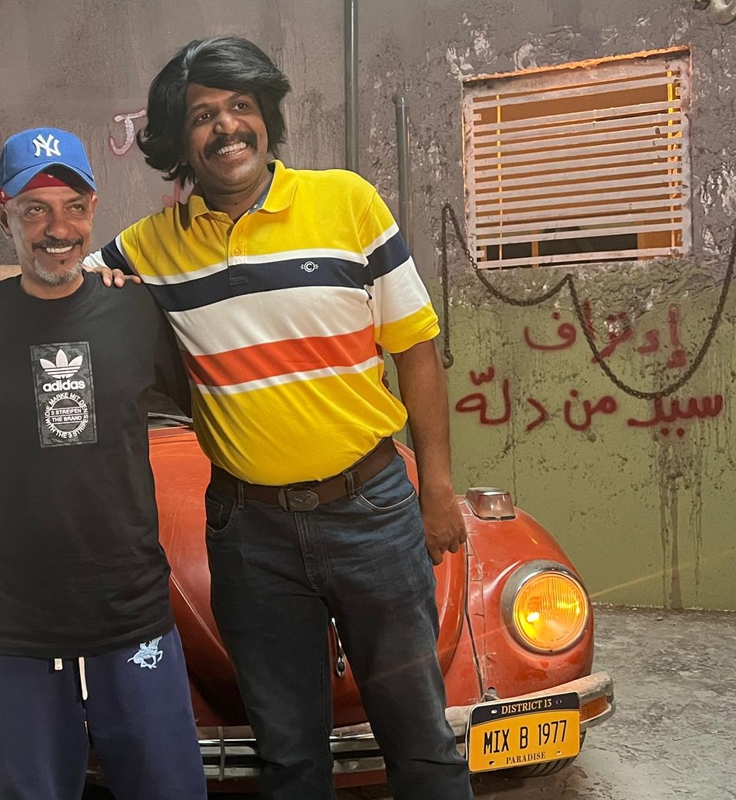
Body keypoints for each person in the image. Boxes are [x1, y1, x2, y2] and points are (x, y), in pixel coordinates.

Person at [87, 36, 474, 800]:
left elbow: (417, 351)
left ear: (266, 116)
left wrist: (436, 489)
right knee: (289, 758)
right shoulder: (153, 246)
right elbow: (64, 277)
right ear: (179, 141)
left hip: (372, 513)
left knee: (421, 742)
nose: (226, 126)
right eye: (203, 115)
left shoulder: (347, 203)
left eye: (241, 105)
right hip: (250, 535)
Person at [0, 127, 206, 800]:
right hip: (14, 628)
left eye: (73, 207)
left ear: (93, 209)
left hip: (131, 615)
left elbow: (206, 409)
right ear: (2, 211)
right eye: (34, 209)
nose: (57, 229)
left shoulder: (136, 309)